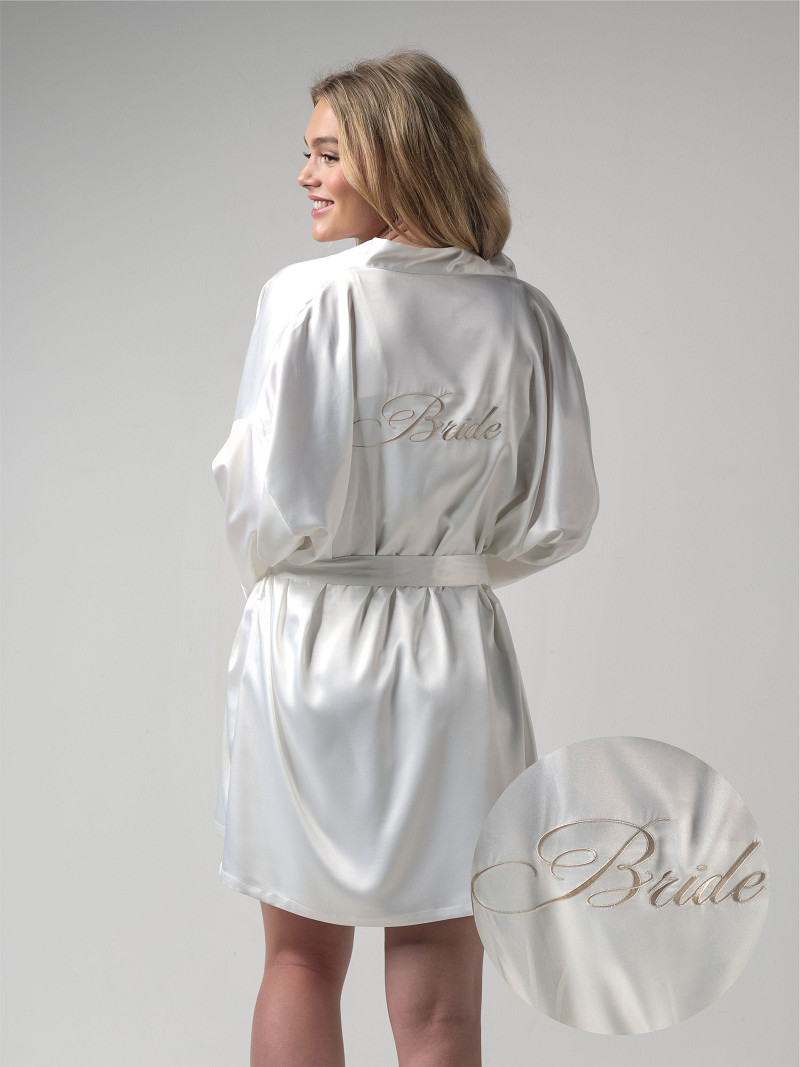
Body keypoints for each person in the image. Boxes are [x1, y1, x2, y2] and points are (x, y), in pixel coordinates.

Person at [211, 48, 599, 1067]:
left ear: (393, 155)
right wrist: (445, 571)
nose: (305, 174)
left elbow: (265, 504)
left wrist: (311, 577)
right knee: (442, 990)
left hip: (311, 645)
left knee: (301, 957)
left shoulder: (306, 298)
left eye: (327, 153)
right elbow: (557, 516)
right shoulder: (521, 314)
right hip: (454, 655)